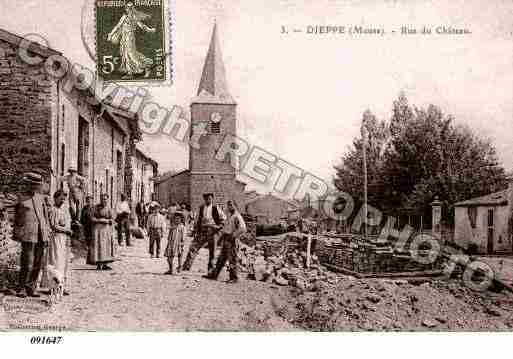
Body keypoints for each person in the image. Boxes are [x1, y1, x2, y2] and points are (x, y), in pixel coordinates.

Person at [12, 172, 52, 298]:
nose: (34, 187)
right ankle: (21, 288)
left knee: (38, 263)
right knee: (27, 262)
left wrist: (47, 232)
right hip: (28, 235)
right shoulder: (21, 198)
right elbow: (16, 217)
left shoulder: (41, 198)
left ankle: (31, 287)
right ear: (28, 185)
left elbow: (45, 217)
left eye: (37, 185)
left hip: (41, 234)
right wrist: (17, 232)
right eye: (32, 185)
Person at [107, 1, 156, 79]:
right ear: (126, 9)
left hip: (129, 37)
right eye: (128, 8)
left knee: (131, 54)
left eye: (131, 8)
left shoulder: (134, 17)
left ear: (132, 8)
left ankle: (146, 67)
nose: (129, 9)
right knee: (126, 53)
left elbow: (142, 26)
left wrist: (150, 30)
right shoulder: (124, 17)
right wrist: (111, 34)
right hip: (124, 37)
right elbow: (118, 26)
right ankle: (130, 72)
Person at [182, 193, 226, 273]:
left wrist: (218, 227)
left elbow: (223, 219)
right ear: (204, 199)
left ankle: (211, 269)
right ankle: (186, 266)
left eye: (209, 198)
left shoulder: (216, 208)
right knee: (193, 247)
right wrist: (195, 229)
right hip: (203, 230)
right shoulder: (201, 208)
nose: (208, 200)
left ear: (212, 199)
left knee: (212, 251)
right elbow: (197, 219)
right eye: (206, 199)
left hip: (213, 231)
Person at [205, 201, 247, 283]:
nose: (229, 207)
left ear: (235, 206)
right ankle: (214, 275)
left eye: (231, 205)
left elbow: (243, 228)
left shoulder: (237, 216)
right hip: (226, 238)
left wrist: (233, 235)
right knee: (221, 258)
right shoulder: (230, 216)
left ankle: (234, 277)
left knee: (232, 259)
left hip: (232, 239)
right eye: (229, 205)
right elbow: (225, 227)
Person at [42, 190, 73, 296]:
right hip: (56, 238)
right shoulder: (54, 210)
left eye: (64, 198)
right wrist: (66, 230)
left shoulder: (65, 210)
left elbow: (68, 222)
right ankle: (52, 287)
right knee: (56, 261)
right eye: (61, 198)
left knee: (63, 262)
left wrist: (68, 231)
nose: (63, 200)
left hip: (64, 239)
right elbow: (54, 226)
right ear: (55, 198)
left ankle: (61, 286)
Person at [90, 193, 115, 270]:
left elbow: (112, 219)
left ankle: (105, 263)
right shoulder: (96, 208)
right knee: (98, 245)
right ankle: (98, 263)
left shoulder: (109, 209)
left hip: (106, 230)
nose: (104, 201)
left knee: (106, 246)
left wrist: (108, 221)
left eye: (105, 199)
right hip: (98, 230)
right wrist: (98, 220)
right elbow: (91, 217)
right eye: (102, 199)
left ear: (107, 200)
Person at [80, 196, 94, 262]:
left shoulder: (94, 208)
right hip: (87, 228)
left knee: (93, 243)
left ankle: (93, 258)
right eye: (87, 201)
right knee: (88, 243)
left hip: (93, 227)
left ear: (92, 201)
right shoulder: (84, 209)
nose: (89, 202)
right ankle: (89, 259)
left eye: (90, 201)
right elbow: (82, 219)